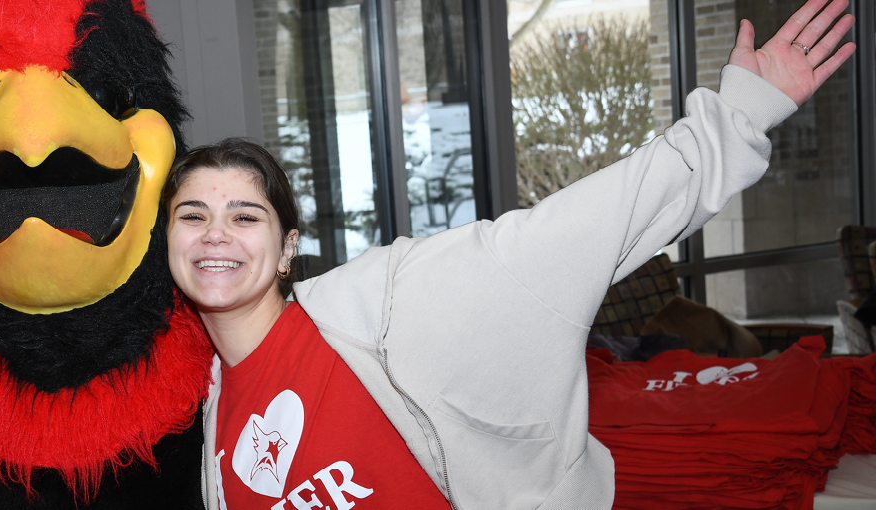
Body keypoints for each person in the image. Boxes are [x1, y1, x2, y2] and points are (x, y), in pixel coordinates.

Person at [163, 0, 856, 508]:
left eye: (244, 215)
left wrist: (736, 118)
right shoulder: (212, 407)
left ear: (286, 249)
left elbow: (578, 231)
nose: (215, 233)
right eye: (192, 215)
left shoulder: (383, 304)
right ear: (168, 239)